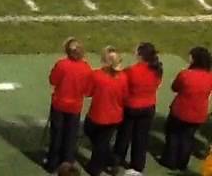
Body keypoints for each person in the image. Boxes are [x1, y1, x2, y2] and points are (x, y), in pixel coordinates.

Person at [45, 38, 95, 172]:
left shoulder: (61, 64)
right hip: (75, 106)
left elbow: (53, 80)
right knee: (71, 135)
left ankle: (52, 163)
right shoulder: (86, 68)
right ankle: (67, 162)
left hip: (59, 104)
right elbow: (88, 90)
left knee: (56, 134)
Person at [159, 46, 212, 171]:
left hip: (180, 111)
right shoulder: (209, 77)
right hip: (198, 113)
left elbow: (175, 87)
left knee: (173, 135)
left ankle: (169, 161)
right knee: (188, 138)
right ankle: (182, 163)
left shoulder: (185, 74)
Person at [114, 42, 161, 175]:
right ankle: (138, 165)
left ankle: (116, 161)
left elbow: (121, 84)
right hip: (148, 107)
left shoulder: (131, 70)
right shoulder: (157, 70)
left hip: (131, 107)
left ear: (140, 55)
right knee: (141, 138)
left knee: (123, 136)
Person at [84, 47, 128, 176]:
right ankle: (111, 160)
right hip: (115, 116)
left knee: (98, 141)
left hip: (98, 115)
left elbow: (88, 92)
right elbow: (125, 96)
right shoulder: (123, 77)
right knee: (102, 141)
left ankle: (96, 167)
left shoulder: (97, 75)